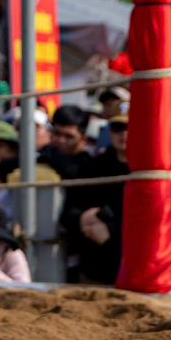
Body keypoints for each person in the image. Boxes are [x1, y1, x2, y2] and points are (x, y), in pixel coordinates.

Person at [58, 109, 130, 284]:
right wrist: (83, 219)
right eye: (117, 127)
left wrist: (112, 230)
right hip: (95, 269)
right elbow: (69, 212)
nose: (124, 133)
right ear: (110, 130)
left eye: (130, 127)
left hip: (134, 269)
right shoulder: (94, 167)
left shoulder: (151, 172)